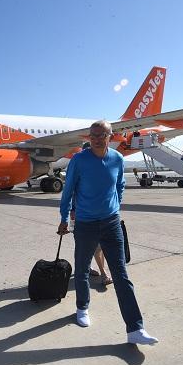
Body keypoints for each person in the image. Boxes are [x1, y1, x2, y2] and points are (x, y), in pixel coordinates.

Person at [58, 120, 158, 345]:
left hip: (111, 223)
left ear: (110, 136)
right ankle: (82, 307)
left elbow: (120, 185)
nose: (95, 138)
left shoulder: (117, 159)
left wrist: (116, 206)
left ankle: (135, 329)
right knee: (82, 269)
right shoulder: (79, 160)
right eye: (92, 135)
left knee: (121, 275)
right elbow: (68, 190)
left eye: (101, 135)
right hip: (85, 223)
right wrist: (65, 217)